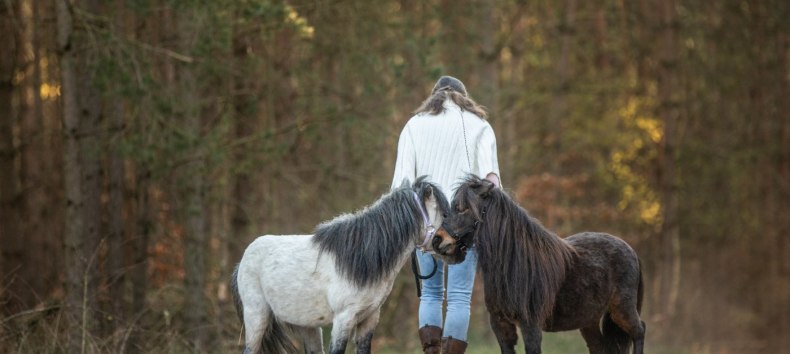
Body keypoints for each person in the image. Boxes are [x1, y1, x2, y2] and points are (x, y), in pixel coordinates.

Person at [391, 76, 501, 354]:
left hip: (425, 224)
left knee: (429, 294)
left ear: (434, 96)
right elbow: (491, 184)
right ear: (464, 96)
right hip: (463, 225)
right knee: (459, 297)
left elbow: (401, 185)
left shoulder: (414, 125)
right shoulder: (480, 125)